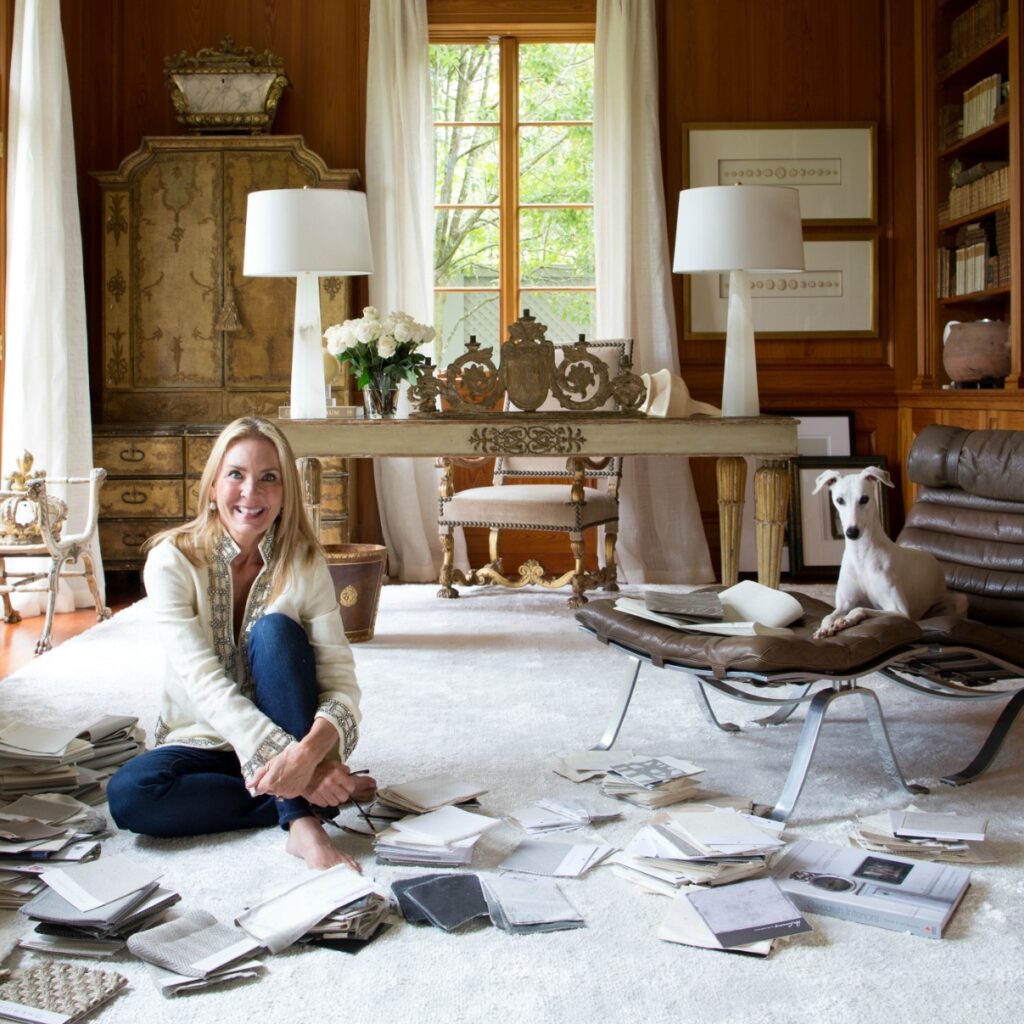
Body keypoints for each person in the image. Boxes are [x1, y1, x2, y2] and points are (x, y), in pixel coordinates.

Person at [107, 416, 375, 870]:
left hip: (292, 730)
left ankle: (301, 823)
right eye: (236, 475)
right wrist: (309, 774)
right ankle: (313, 797)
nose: (251, 492)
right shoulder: (170, 560)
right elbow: (202, 682)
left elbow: (341, 683)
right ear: (212, 486)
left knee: (274, 631)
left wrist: (308, 754)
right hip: (203, 743)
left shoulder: (305, 563)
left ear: (286, 491)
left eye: (269, 478)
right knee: (131, 796)